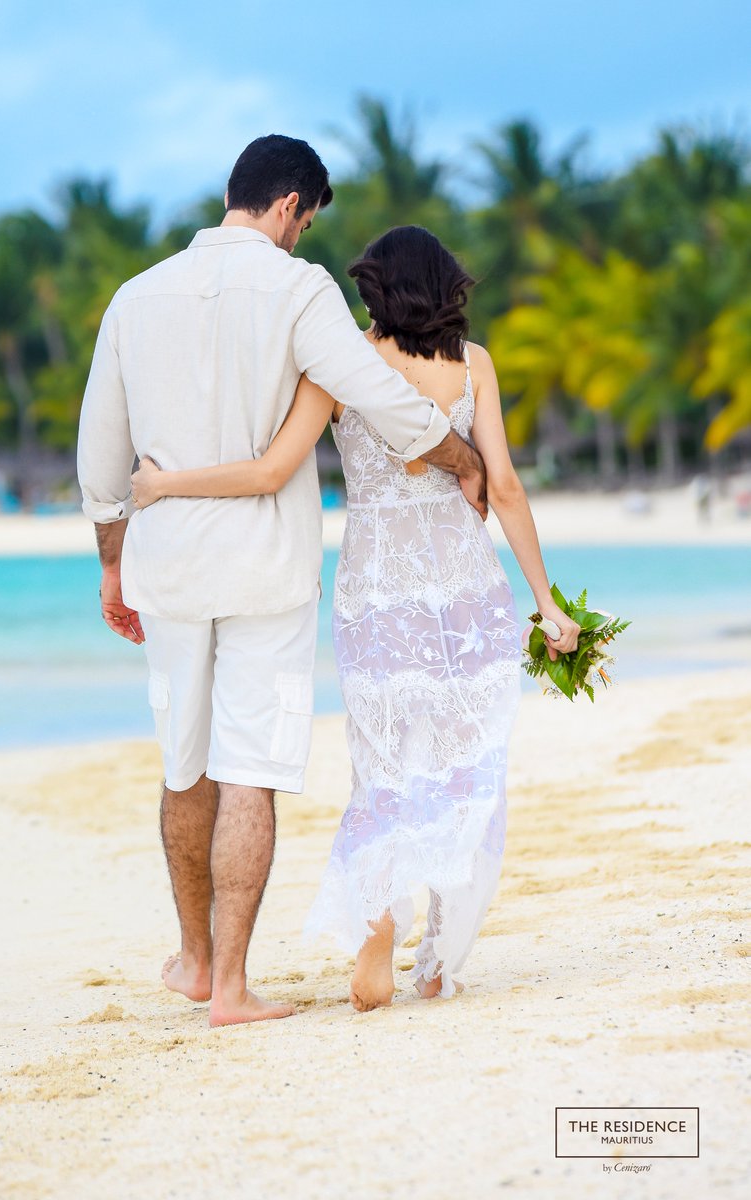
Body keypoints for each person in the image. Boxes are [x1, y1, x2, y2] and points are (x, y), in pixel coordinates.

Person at [77, 138, 489, 1028]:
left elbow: (101, 457)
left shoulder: (134, 298)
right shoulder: (298, 291)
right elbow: (375, 395)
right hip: (263, 567)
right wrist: (461, 457)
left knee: (184, 768)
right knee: (249, 774)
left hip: (168, 563)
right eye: (305, 221)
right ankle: (230, 988)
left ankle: (191, 961)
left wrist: (113, 562)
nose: (302, 238)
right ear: (289, 204)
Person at [130, 225, 580, 1012]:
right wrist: (548, 603)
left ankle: (379, 918)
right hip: (464, 591)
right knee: (465, 761)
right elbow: (502, 487)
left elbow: (272, 468)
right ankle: (438, 956)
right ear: (447, 288)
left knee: (383, 767)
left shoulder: (343, 367)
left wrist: (170, 485)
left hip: (375, 590)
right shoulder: (473, 366)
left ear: (373, 291)